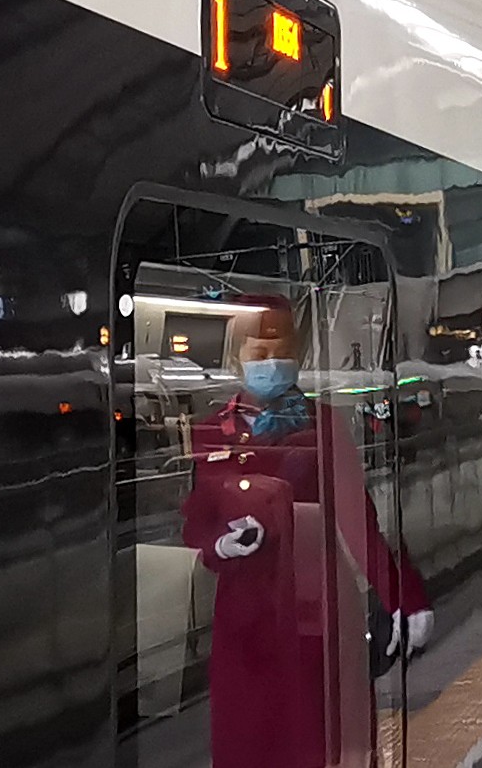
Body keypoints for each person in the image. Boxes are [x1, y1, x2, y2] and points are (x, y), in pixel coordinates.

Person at [181, 298, 428, 768]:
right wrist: (220, 545)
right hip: (244, 625)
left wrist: (403, 597)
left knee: (320, 740)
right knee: (249, 743)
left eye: (283, 350)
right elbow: (196, 522)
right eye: (259, 352)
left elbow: (358, 520)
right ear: (236, 358)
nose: (272, 362)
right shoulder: (211, 432)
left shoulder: (322, 425)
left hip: (318, 612)